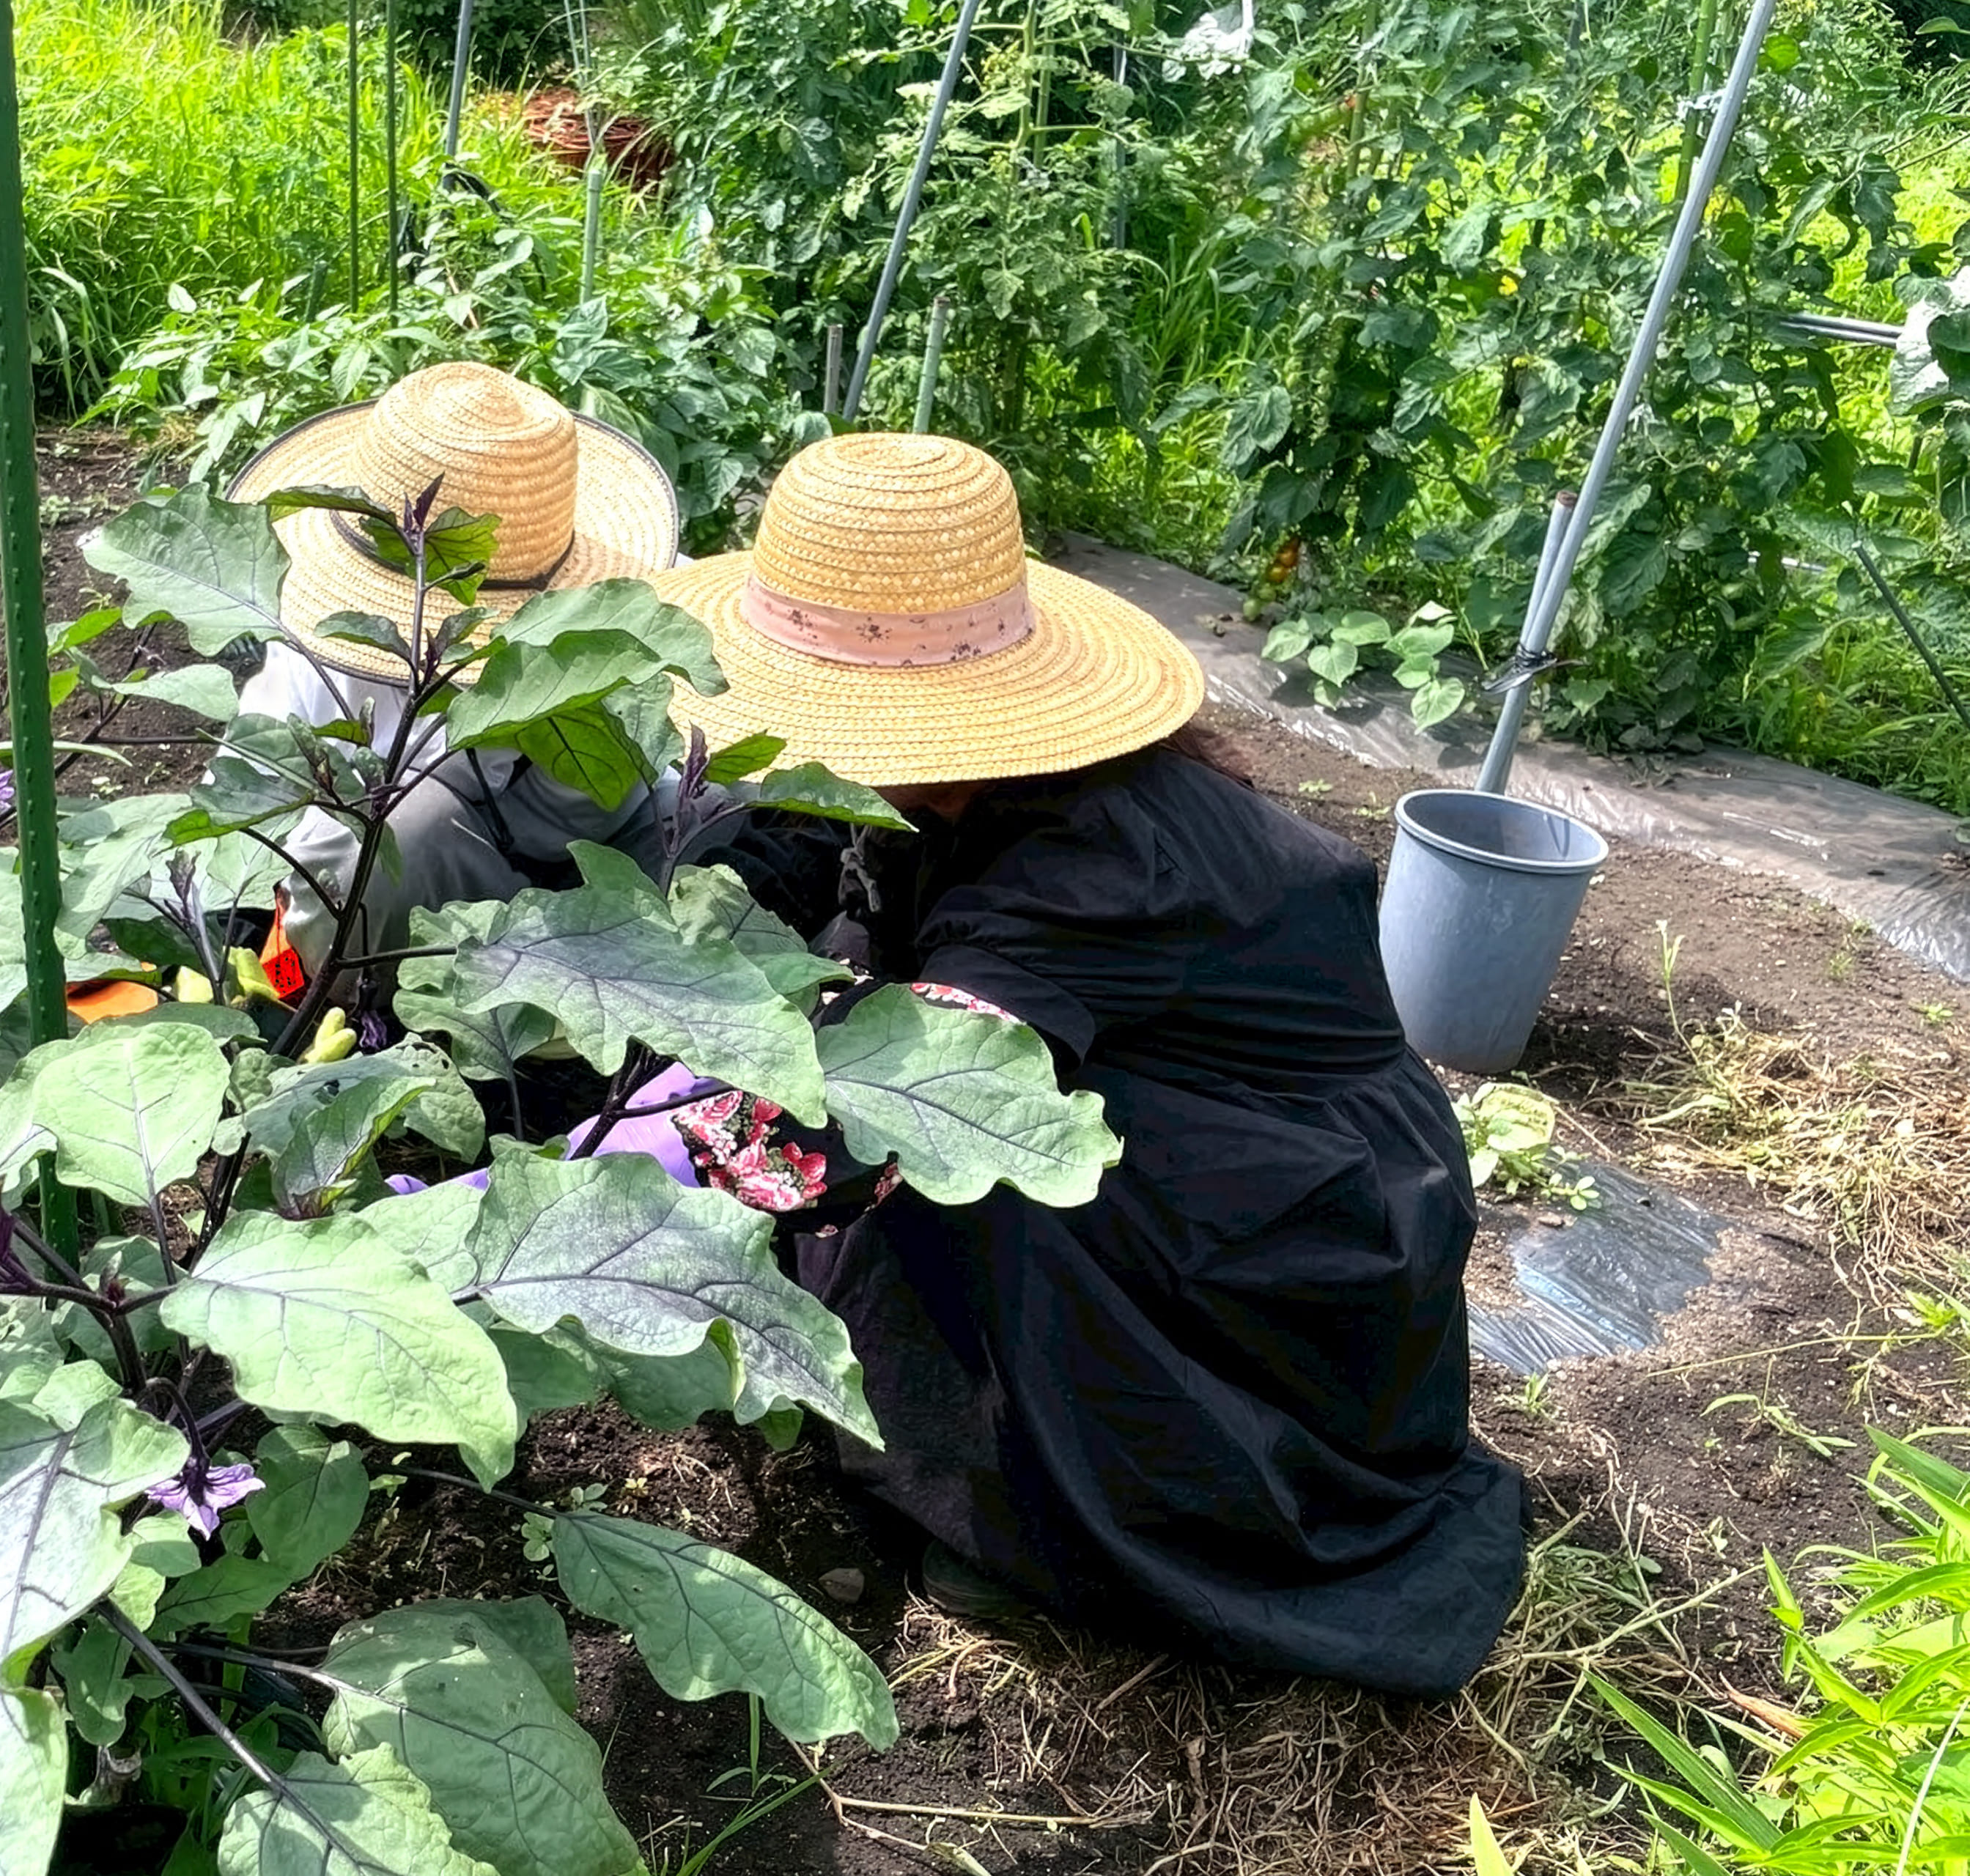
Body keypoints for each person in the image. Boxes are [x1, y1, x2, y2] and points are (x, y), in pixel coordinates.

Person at [642, 431, 1526, 1699]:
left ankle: (1069, 1534)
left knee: (969, 1171)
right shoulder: (969, 787)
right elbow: (810, 880)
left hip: (1302, 1223)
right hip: (1224, 1128)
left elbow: (877, 1113)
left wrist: (632, 1159)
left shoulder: (1096, 864)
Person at [222, 362, 686, 971]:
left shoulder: (633, 633)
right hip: (418, 900)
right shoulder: (320, 642)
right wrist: (238, 918)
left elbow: (587, 816)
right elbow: (249, 780)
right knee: (375, 848)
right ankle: (361, 1001)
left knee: (706, 825)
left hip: (607, 861)